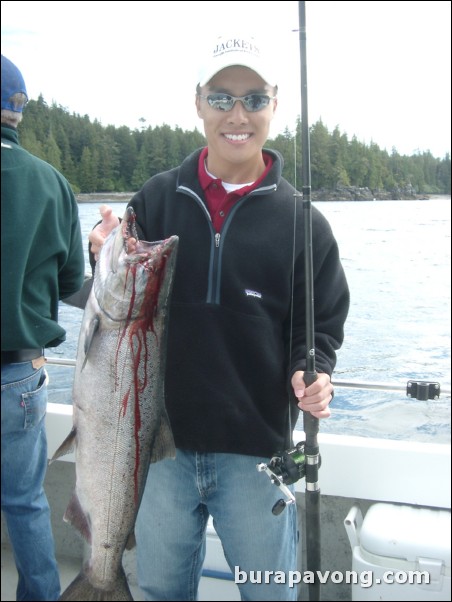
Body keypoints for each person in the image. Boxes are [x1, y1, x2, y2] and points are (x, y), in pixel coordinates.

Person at [89, 34, 350, 601]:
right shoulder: (157, 199)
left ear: (275, 106)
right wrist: (99, 254)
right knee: (161, 591)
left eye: (254, 99)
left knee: (269, 594)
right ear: (198, 103)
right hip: (157, 450)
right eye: (222, 97)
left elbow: (320, 325)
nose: (238, 114)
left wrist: (315, 369)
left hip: (257, 453)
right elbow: (111, 304)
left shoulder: (305, 224)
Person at [1, 55, 85, 601]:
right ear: (19, 110)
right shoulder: (53, 184)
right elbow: (72, 282)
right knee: (26, 502)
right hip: (20, 378)